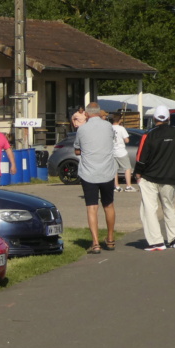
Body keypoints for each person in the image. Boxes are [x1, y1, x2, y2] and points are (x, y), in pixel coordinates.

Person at [134, 105, 175, 250]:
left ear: (154, 118)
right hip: (170, 177)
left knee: (149, 209)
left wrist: (138, 173)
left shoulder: (149, 134)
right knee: (169, 207)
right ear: (169, 118)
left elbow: (141, 157)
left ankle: (156, 242)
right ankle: (174, 239)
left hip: (150, 176)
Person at [73, 102, 117, 254]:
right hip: (107, 171)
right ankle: (110, 239)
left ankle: (96, 243)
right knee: (109, 205)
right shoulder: (108, 126)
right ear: (99, 113)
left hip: (89, 173)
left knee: (92, 207)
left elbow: (77, 150)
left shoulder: (82, 129)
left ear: (86, 113)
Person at [111, 112, 134, 191]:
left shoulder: (109, 128)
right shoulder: (121, 128)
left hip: (112, 151)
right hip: (121, 151)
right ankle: (128, 186)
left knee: (114, 169)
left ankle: (116, 186)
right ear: (120, 120)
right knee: (127, 168)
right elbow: (127, 140)